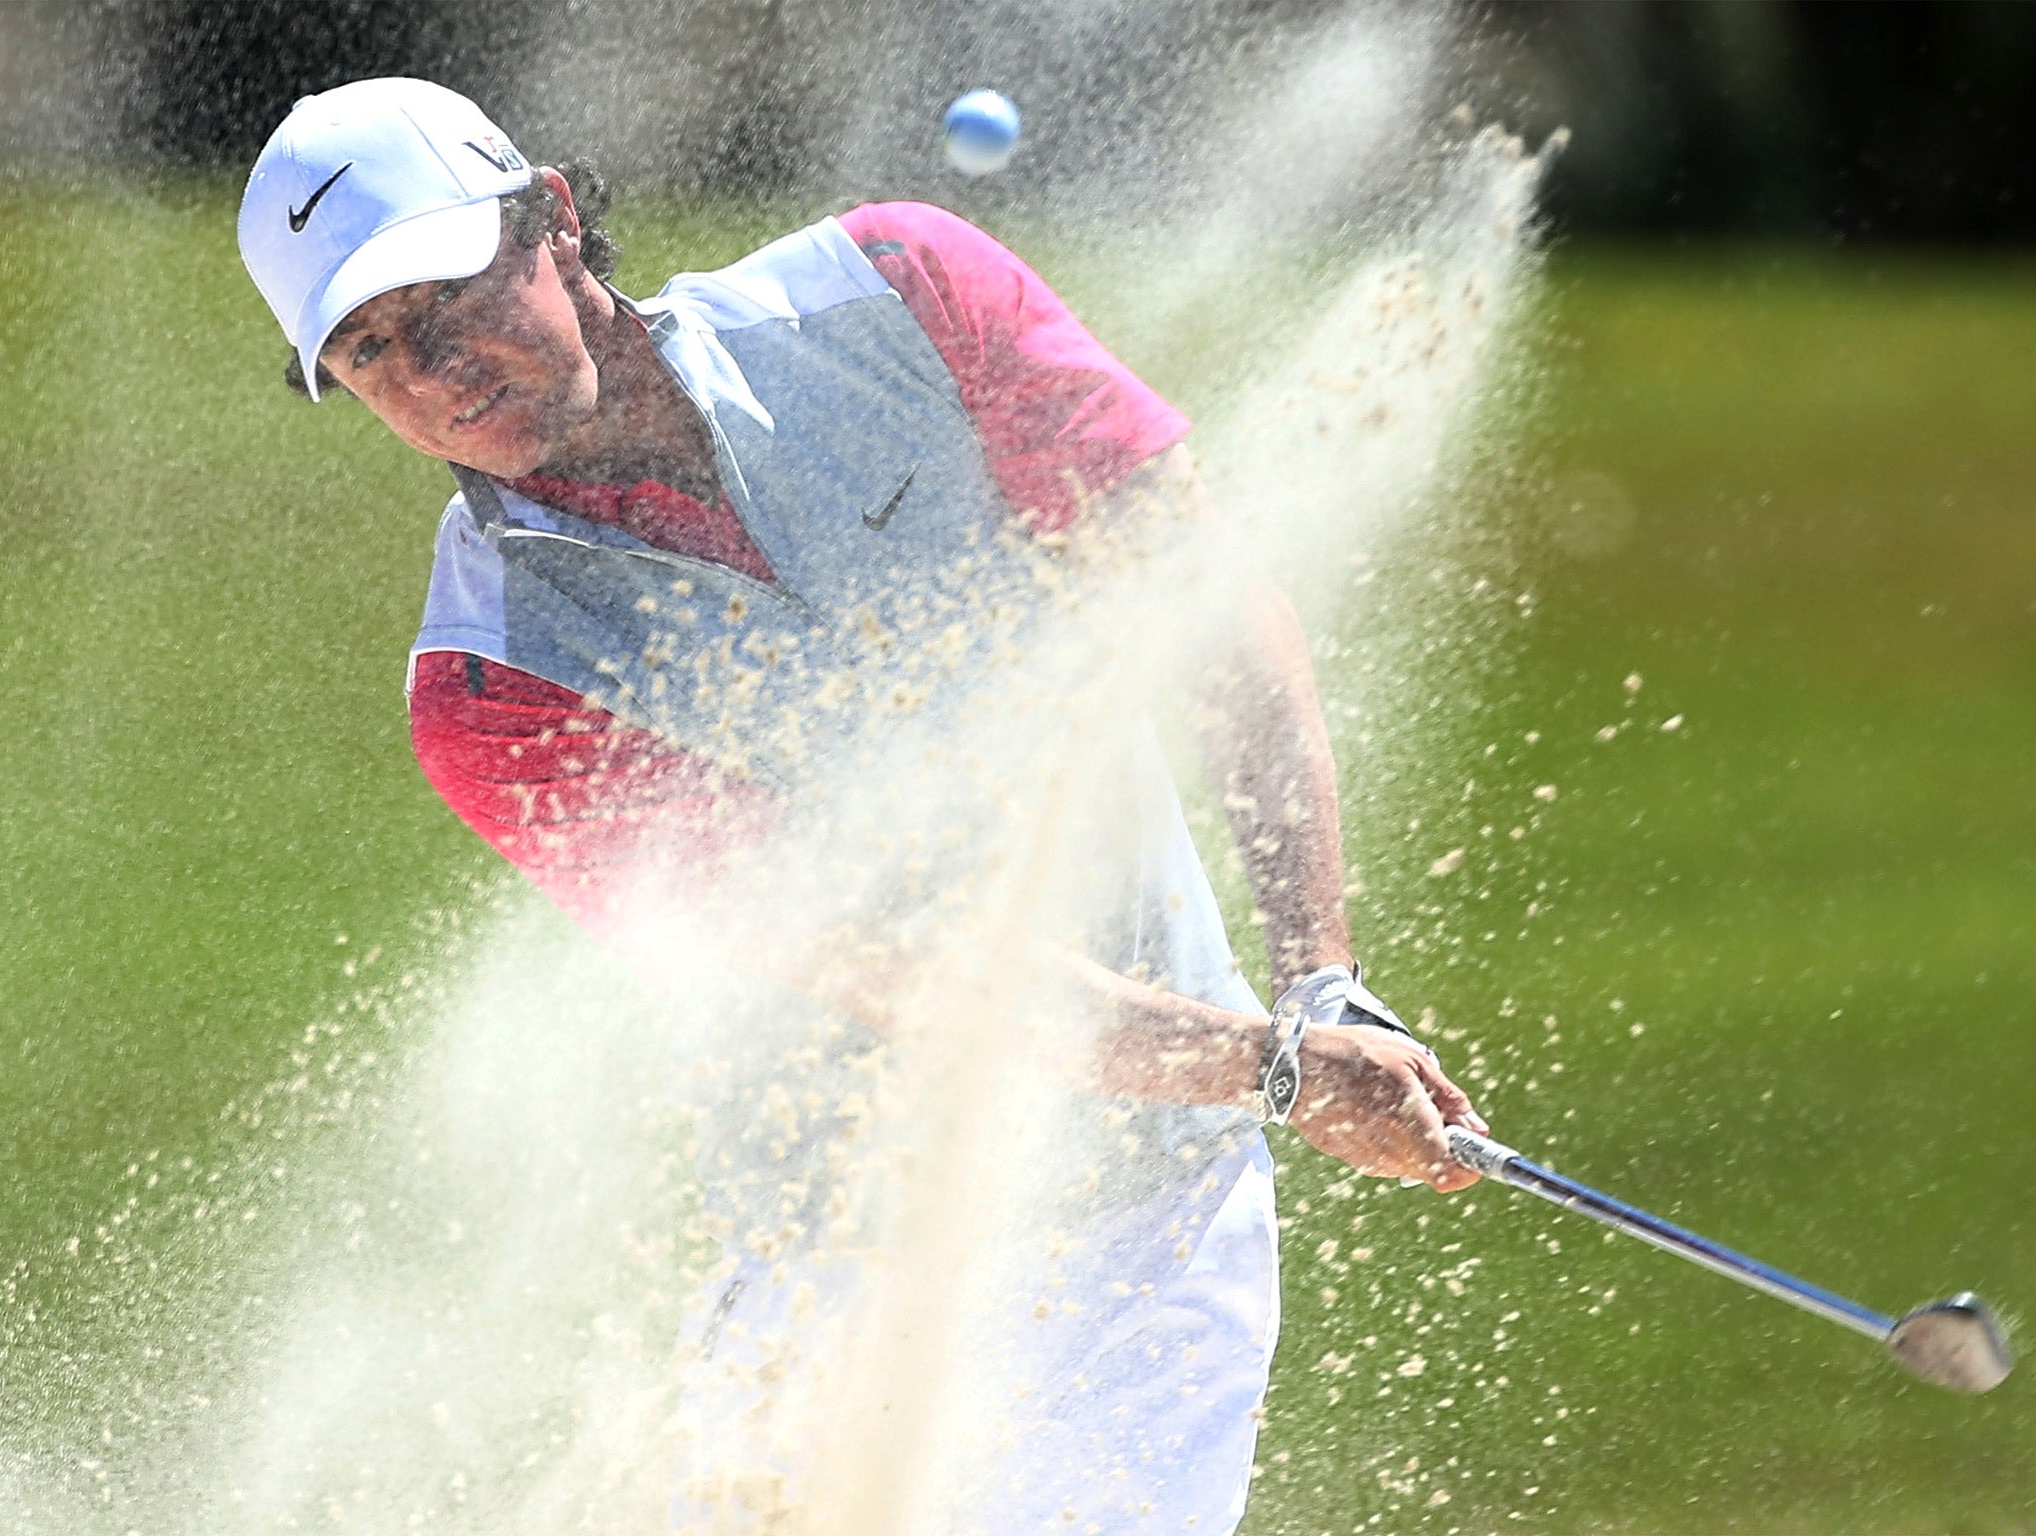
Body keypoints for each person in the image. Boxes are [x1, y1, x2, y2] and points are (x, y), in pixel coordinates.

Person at [238, 76, 1488, 1534]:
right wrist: (1273, 1064)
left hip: (1156, 1230)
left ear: (556, 223)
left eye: (448, 297)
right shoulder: (490, 685)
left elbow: (1204, 604)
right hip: (843, 1289)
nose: (436, 372)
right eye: (369, 351)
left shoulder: (904, 290)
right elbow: (902, 961)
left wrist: (1321, 983)